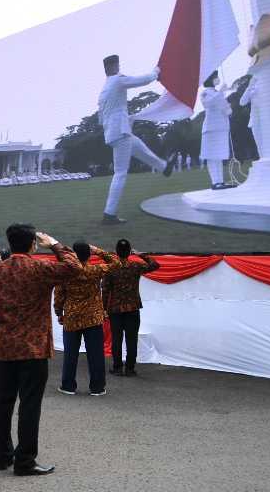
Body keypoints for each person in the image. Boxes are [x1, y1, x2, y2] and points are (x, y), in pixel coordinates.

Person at [0, 225, 80, 476]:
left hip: (5, 346)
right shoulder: (39, 269)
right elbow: (74, 267)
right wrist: (55, 244)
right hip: (33, 348)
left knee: (3, 402)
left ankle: (2, 456)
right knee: (29, 405)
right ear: (32, 245)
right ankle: (25, 460)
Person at [98, 54, 176, 225]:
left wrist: (124, 119)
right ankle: (109, 214)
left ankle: (164, 167)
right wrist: (157, 71)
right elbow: (143, 80)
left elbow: (101, 118)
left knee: (141, 149)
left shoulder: (104, 90)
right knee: (120, 173)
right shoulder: (117, 80)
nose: (119, 68)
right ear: (112, 67)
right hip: (120, 132)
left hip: (116, 132)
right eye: (117, 65)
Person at [54, 242, 119, 396]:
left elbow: (59, 294)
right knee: (96, 354)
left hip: (72, 317)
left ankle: (68, 386)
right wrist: (99, 251)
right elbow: (116, 263)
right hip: (93, 318)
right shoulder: (95, 270)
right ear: (89, 255)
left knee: (70, 354)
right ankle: (97, 387)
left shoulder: (66, 272)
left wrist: (58, 312)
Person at [103, 239, 159, 376]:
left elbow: (105, 290)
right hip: (132, 308)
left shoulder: (111, 268)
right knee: (131, 339)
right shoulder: (136, 266)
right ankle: (130, 368)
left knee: (116, 339)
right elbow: (155, 265)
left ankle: (117, 368)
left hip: (115, 309)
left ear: (116, 252)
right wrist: (141, 254)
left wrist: (104, 308)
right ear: (129, 252)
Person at [200, 71, 235, 190]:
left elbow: (228, 111)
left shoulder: (217, 94)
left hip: (221, 127)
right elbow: (207, 104)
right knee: (211, 156)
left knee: (219, 155)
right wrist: (221, 92)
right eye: (216, 77)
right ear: (211, 79)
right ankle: (215, 182)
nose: (218, 79)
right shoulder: (205, 93)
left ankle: (220, 181)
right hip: (211, 128)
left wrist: (228, 108)